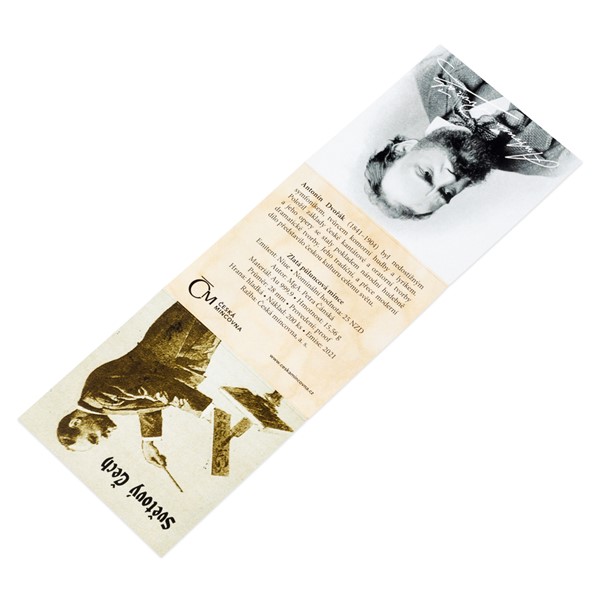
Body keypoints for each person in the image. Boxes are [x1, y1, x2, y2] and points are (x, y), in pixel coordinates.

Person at [365, 50, 570, 220]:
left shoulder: (431, 64)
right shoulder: (557, 163)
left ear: (405, 149)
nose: (450, 178)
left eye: (426, 174)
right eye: (446, 193)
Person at [57, 302, 220, 469]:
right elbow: (146, 401)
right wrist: (148, 441)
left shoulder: (99, 396)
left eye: (93, 437)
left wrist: (206, 411)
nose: (104, 437)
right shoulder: (98, 403)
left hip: (184, 339)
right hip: (185, 346)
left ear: (75, 422)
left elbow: (155, 386)